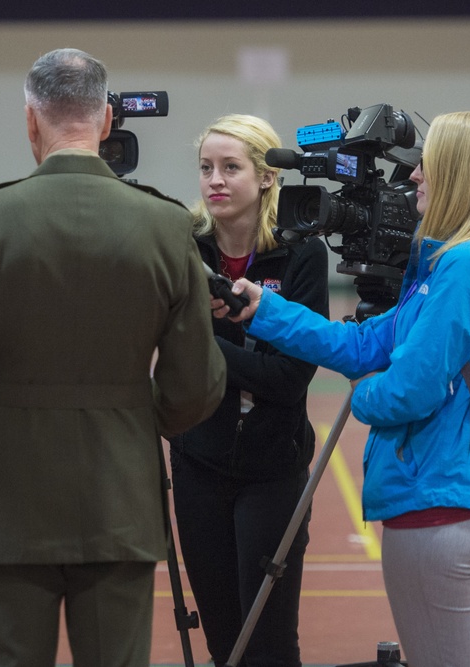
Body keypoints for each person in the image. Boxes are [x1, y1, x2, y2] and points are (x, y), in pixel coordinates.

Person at [0, 48, 226, 667]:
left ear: (31, 120)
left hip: (9, 495)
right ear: (106, 120)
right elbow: (196, 383)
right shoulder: (164, 225)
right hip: (120, 496)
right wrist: (136, 418)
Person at [214, 111, 470, 667]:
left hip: (440, 495)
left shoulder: (466, 264)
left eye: (429, 164)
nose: (415, 176)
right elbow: (365, 343)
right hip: (444, 491)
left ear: (461, 174)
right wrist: (267, 310)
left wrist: (365, 393)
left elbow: (409, 390)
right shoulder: (456, 262)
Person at [168, 114, 328, 667]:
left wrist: (204, 348)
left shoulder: (301, 252)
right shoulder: (184, 247)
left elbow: (289, 379)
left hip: (273, 469)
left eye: (230, 167)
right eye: (206, 168)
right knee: (222, 639)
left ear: (265, 177)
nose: (214, 180)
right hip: (198, 462)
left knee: (268, 642)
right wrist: (237, 357)